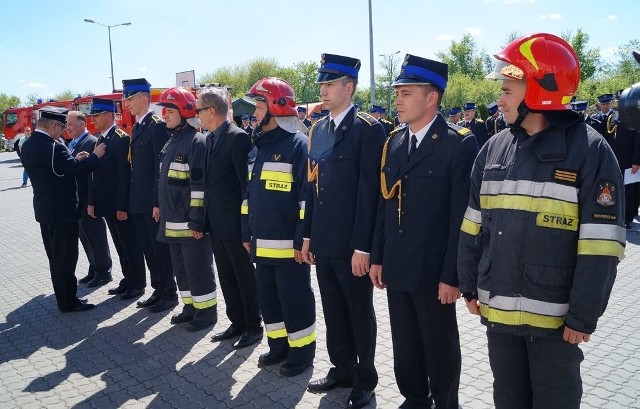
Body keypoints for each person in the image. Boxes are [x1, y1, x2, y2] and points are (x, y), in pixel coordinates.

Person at [458, 33, 624, 409]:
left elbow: (601, 244)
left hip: (557, 326)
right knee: (509, 400)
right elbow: (472, 224)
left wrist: (583, 316)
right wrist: (469, 285)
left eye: (508, 90)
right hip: (499, 315)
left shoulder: (590, 151)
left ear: (541, 90)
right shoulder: (493, 149)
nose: (499, 99)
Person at [369, 54, 478, 409]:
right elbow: (385, 207)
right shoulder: (395, 142)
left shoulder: (458, 144)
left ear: (431, 98)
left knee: (439, 345)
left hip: (434, 273)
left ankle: (447, 403)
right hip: (398, 265)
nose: (397, 100)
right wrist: (378, 257)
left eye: (406, 92)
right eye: (397, 92)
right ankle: (415, 399)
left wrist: (453, 276)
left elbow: (461, 219)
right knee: (405, 344)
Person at [302, 53, 385, 409]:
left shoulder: (368, 129)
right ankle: (341, 369)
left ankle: (365, 379)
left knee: (359, 313)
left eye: (330, 83)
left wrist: (363, 247)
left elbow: (371, 195)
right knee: (334, 311)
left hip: (353, 244)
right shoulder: (318, 129)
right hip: (324, 239)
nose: (323, 88)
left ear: (348, 88)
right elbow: (312, 187)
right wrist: (307, 236)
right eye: (322, 82)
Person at [243, 77, 316, 377]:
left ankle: (302, 353)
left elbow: (305, 197)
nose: (255, 113)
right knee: (270, 300)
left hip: (289, 247)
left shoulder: (298, 145)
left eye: (259, 105)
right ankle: (279, 346)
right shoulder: (257, 147)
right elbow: (248, 197)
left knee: (295, 300)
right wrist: (246, 231)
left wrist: (301, 240)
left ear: (275, 106)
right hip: (261, 242)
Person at [196, 86, 263, 348]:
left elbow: (246, 186)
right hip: (217, 224)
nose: (197, 114)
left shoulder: (237, 138)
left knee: (244, 276)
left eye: (199, 109)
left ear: (212, 111)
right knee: (226, 275)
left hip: (235, 225)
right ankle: (236, 321)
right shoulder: (210, 138)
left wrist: (246, 227)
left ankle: (253, 325)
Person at [20, 109, 106, 312]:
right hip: (63, 212)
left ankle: (65, 298)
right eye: (60, 127)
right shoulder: (52, 147)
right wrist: (95, 156)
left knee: (55, 258)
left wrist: (75, 158)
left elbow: (57, 169)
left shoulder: (28, 144)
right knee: (66, 260)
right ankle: (68, 302)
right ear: (51, 126)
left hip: (45, 210)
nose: (63, 132)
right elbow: (75, 171)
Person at [156, 87, 217, 332]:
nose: (164, 115)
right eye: (164, 110)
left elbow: (199, 187)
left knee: (198, 269)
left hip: (190, 225)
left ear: (184, 111)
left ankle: (206, 313)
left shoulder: (196, 141)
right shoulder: (172, 141)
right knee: (182, 270)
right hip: (172, 222)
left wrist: (196, 221)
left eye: (169, 110)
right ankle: (190, 307)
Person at [122, 78, 178, 312]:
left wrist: (158, 201)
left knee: (159, 251)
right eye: (126, 100)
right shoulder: (138, 127)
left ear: (144, 99)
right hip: (139, 202)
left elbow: (160, 168)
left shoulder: (156, 126)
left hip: (151, 202)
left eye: (131, 99)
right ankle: (158, 289)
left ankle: (169, 293)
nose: (127, 104)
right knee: (148, 249)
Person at [87, 97, 146, 301]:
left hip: (120, 205)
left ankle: (138, 283)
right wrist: (92, 201)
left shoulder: (120, 138)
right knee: (120, 244)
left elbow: (124, 176)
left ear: (109, 116)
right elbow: (96, 175)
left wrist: (123, 205)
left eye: (97, 115)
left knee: (130, 244)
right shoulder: (100, 140)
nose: (93, 119)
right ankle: (128, 278)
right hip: (107, 205)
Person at [67, 111, 113, 288]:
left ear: (82, 123)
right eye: (67, 124)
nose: (68, 128)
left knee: (97, 237)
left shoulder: (92, 142)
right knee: (85, 237)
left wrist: (92, 201)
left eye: (71, 124)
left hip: (89, 200)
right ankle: (94, 268)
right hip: (78, 201)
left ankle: (104, 271)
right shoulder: (72, 144)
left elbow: (95, 177)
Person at [604, 111, 640, 229]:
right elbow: (607, 136)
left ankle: (628, 218)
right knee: (614, 188)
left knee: (628, 191)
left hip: (629, 161)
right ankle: (615, 214)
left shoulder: (634, 116)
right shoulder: (613, 116)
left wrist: (636, 162)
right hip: (614, 158)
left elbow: (637, 141)